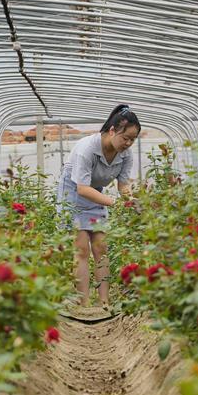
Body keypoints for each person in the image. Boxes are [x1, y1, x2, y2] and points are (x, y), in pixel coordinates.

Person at [56, 104, 139, 309]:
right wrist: (116, 203)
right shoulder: (87, 150)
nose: (128, 143)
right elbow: (83, 189)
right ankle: (84, 304)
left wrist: (130, 200)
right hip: (73, 192)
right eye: (125, 138)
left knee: (101, 247)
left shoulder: (126, 155)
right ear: (112, 131)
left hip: (96, 195)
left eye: (132, 139)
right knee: (81, 248)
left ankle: (104, 303)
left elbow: (123, 185)